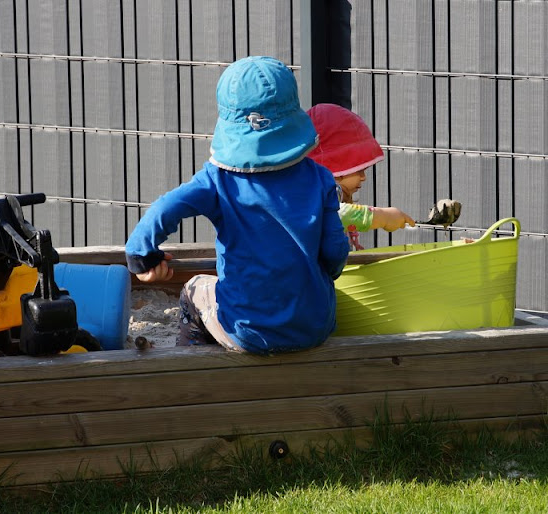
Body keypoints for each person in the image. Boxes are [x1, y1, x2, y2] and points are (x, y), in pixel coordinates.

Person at [124, 56, 350, 355]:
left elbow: (167, 207)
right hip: (314, 328)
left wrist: (141, 257)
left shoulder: (217, 180)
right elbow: (335, 252)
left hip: (246, 331)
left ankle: (192, 364)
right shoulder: (319, 177)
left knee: (193, 289)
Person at [306, 103, 415, 250]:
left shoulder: (330, 193)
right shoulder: (312, 196)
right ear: (337, 167)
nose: (363, 177)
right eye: (358, 170)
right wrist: (383, 216)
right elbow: (336, 215)